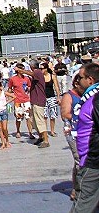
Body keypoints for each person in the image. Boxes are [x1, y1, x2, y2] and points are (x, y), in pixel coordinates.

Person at [71, 63, 99, 213]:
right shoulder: (91, 98)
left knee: (83, 207)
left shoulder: (95, 99)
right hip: (91, 159)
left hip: (93, 162)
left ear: (90, 80)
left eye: (80, 78)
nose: (77, 81)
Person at [61, 74, 84, 202]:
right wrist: (84, 117)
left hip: (85, 132)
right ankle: (77, 190)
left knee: (81, 162)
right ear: (76, 83)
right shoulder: (68, 96)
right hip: (72, 132)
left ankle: (78, 188)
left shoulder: (87, 95)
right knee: (79, 160)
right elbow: (65, 113)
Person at [16, 60, 49, 148]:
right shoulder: (36, 74)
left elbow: (31, 74)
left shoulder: (37, 72)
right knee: (34, 121)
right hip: (34, 100)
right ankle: (41, 137)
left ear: (32, 66)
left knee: (40, 121)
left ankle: (46, 140)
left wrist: (21, 70)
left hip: (39, 100)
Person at [8, 63, 34, 139]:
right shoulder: (12, 79)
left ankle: (30, 132)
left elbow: (29, 86)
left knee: (28, 117)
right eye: (22, 69)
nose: (23, 70)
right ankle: (18, 131)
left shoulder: (27, 78)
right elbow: (9, 89)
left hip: (26, 100)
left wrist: (29, 89)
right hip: (17, 100)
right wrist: (8, 98)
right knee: (18, 117)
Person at [41, 62, 60, 137]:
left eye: (42, 68)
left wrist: (58, 96)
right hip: (43, 97)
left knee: (53, 115)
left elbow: (56, 87)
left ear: (46, 69)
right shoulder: (41, 77)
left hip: (51, 96)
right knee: (44, 115)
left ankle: (52, 131)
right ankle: (45, 131)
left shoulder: (52, 76)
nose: (41, 70)